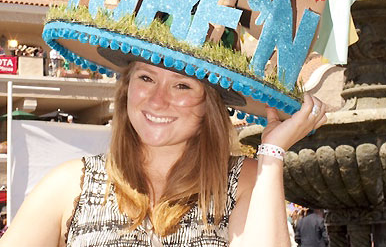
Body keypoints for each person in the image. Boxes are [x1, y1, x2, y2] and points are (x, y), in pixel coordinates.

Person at [0, 60, 326, 246]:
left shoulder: (244, 181)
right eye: (146, 78)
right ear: (127, 89)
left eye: (181, 85)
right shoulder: (69, 185)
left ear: (209, 105)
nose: (157, 100)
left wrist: (271, 155)